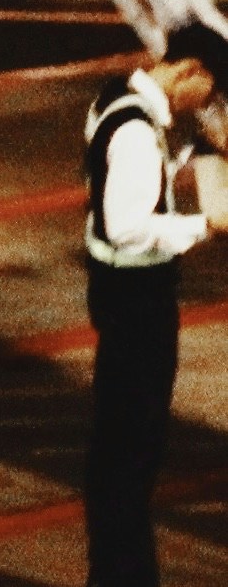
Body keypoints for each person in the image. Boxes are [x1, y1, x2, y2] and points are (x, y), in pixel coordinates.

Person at [86, 36, 224, 587]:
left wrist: (199, 150)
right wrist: (204, 225)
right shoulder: (140, 132)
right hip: (138, 303)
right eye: (208, 90)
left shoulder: (115, 100)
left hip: (114, 296)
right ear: (190, 71)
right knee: (132, 456)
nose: (206, 101)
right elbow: (128, 225)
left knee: (117, 452)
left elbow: (141, 180)